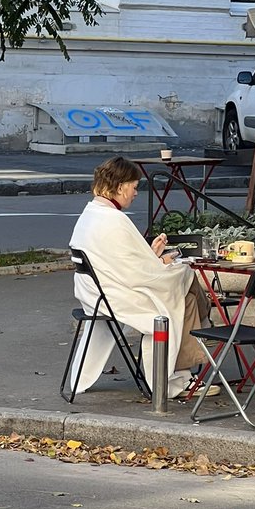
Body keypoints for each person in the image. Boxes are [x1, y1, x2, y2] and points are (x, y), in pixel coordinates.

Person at [67, 156, 216, 400]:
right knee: (184, 285)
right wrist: (163, 263)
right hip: (117, 297)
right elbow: (139, 273)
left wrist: (152, 256)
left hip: (96, 294)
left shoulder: (91, 212)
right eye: (134, 187)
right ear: (120, 187)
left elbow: (123, 262)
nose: (136, 193)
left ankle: (185, 368)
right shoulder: (115, 220)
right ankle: (181, 370)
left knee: (184, 296)